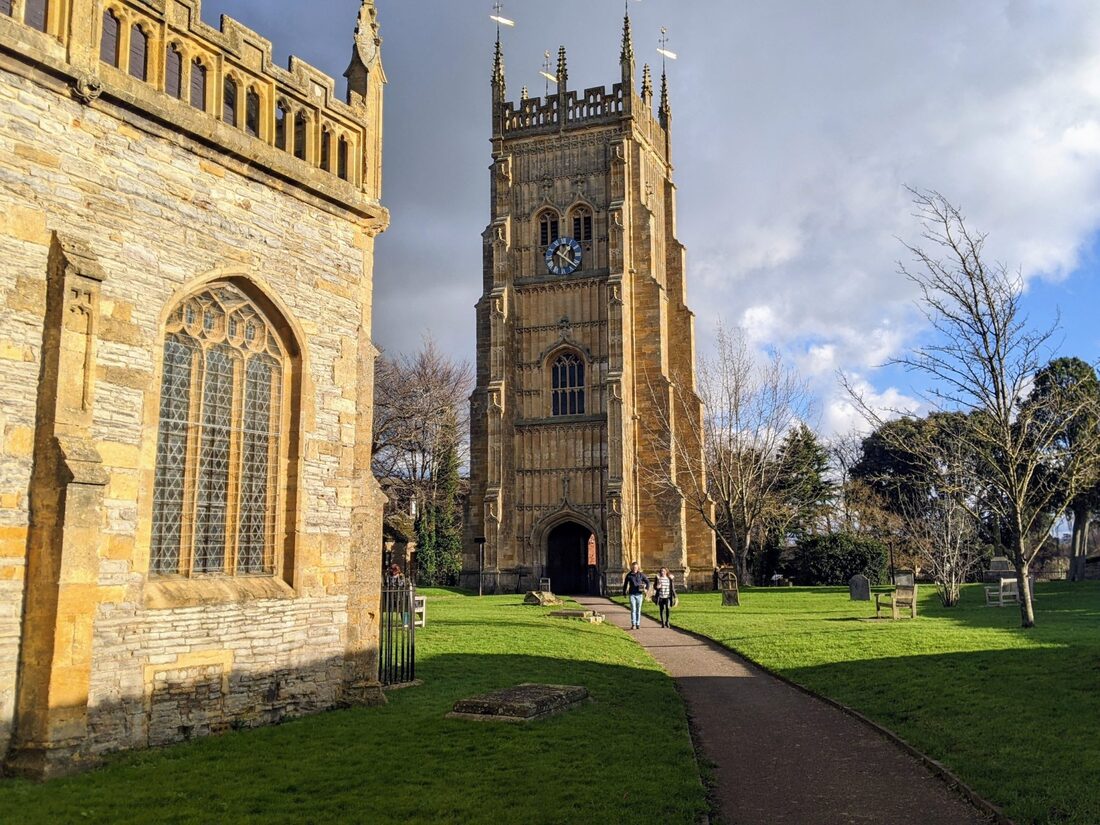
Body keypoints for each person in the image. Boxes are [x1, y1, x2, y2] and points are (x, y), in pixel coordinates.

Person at [622, 561, 649, 630]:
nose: (635, 568)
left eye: (636, 567)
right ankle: (633, 624)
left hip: (639, 594)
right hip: (632, 594)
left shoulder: (641, 575)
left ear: (638, 568)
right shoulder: (629, 575)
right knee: (633, 609)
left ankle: (638, 624)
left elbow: (647, 581)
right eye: (633, 567)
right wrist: (624, 592)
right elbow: (625, 584)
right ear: (631, 567)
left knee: (638, 610)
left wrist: (646, 589)